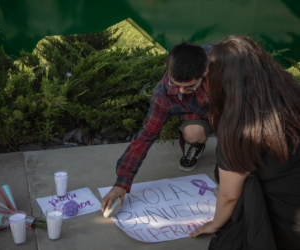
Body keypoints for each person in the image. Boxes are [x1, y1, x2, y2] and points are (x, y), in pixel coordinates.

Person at [189, 35, 300, 249]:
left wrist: (215, 223)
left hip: (289, 228)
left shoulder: (239, 127)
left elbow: (230, 196)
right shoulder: (291, 96)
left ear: (223, 82)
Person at [101, 42, 214, 212]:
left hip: (230, 109)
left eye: (189, 86)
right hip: (197, 112)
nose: (181, 91)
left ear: (204, 72)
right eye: (176, 85)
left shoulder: (226, 70)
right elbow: (145, 136)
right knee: (193, 134)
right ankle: (196, 144)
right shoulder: (163, 94)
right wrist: (122, 182)